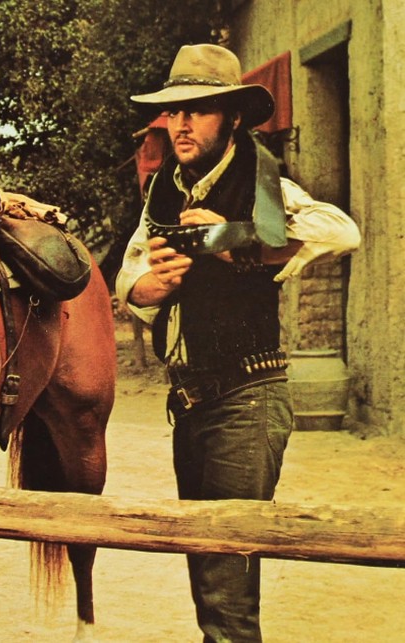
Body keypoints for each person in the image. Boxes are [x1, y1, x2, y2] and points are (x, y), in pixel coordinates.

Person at [115, 44, 360, 642]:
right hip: (191, 401)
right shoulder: (165, 190)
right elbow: (129, 273)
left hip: (248, 398)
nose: (180, 124)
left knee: (227, 586)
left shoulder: (262, 178)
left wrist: (229, 236)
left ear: (230, 117)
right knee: (206, 568)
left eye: (196, 111)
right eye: (174, 113)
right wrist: (146, 288)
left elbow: (341, 230)